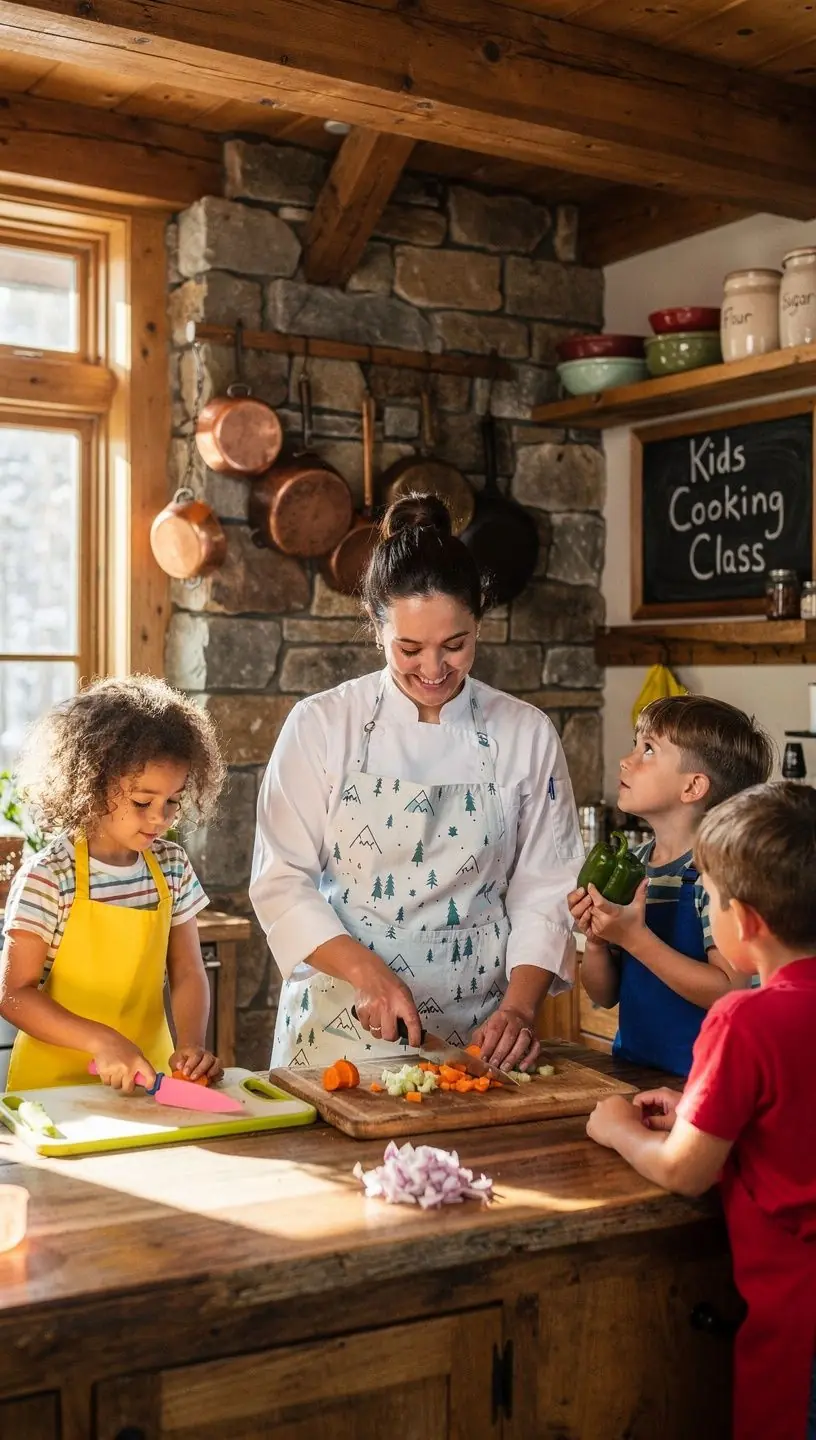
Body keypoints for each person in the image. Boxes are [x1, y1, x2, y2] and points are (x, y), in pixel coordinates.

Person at [251, 493, 585, 1072]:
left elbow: (545, 888)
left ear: (479, 624)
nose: (433, 669)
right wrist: (368, 974)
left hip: (479, 1039)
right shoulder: (323, 724)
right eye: (409, 649)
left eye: (455, 646)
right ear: (377, 629)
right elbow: (281, 882)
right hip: (340, 1025)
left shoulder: (525, 733)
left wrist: (520, 1010)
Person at [585, 781, 816, 1440]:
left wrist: (619, 1128)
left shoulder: (743, 1019)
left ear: (746, 922)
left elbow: (685, 1172)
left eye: (709, 899)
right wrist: (702, 1106)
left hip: (798, 1321)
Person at [0, 675, 226, 1092]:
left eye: (172, 801)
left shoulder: (171, 866)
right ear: (93, 784)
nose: (160, 817)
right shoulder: (49, 876)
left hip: (147, 1079)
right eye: (143, 802)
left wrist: (192, 1045)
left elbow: (188, 971)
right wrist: (101, 1040)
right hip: (52, 1091)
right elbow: (13, 995)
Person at [568, 695, 773, 1075]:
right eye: (635, 744)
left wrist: (633, 938)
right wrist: (597, 940)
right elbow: (604, 994)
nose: (626, 760)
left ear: (693, 787)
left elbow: (729, 989)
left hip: (707, 1084)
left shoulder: (717, 874)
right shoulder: (633, 865)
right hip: (634, 1069)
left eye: (648, 750)